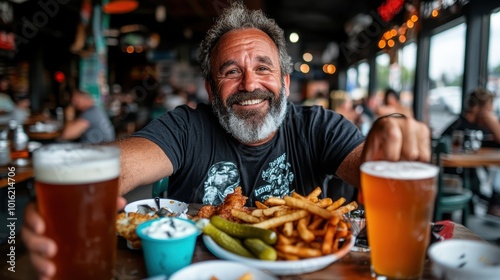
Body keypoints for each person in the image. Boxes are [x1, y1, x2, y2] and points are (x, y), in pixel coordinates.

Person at [21, 2, 431, 278]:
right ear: (211, 89)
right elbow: (123, 162)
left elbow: (372, 161)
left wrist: (391, 129)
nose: (250, 83)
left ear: (286, 82)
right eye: (231, 71)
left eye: (264, 68)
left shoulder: (317, 126)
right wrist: (70, 179)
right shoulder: (187, 126)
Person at [441, 88, 500, 217]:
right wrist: (491, 119)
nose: (490, 114)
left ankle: (494, 203)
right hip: (453, 179)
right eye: (488, 110)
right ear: (476, 108)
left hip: (468, 175)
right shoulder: (459, 128)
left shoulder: (479, 128)